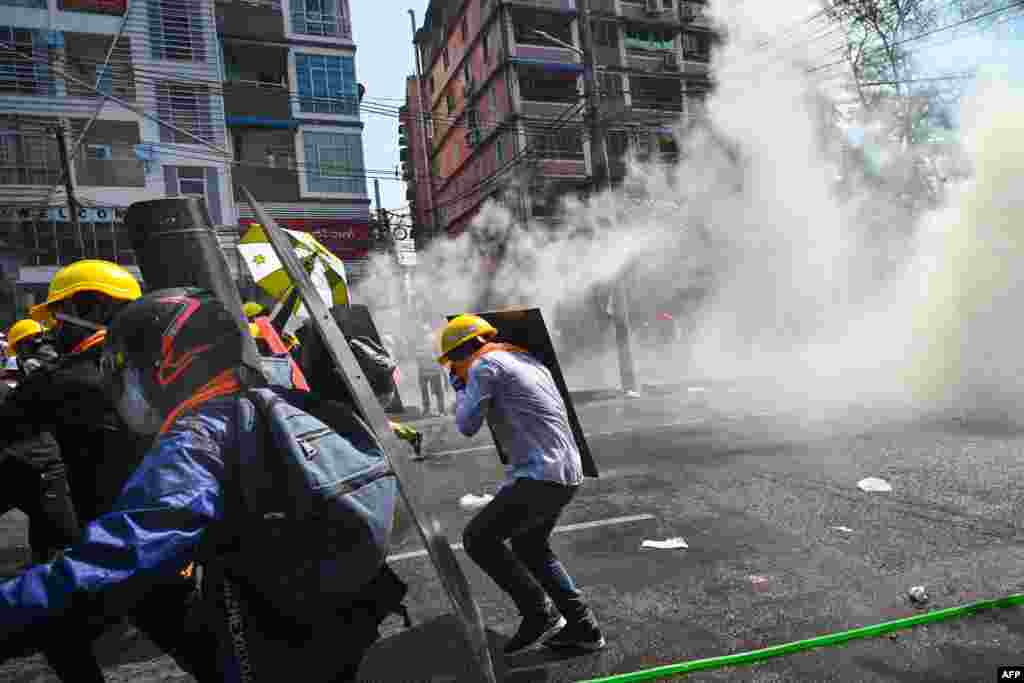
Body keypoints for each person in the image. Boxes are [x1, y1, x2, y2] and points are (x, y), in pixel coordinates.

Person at [0, 288, 402, 682]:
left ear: (168, 365)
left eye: (130, 370)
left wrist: (11, 608)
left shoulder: (200, 432)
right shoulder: (276, 390)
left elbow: (127, 550)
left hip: (274, 632)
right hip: (348, 613)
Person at [437, 314, 605, 655]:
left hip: (540, 474)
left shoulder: (485, 367)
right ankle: (583, 626)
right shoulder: (528, 359)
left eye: (454, 360)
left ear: (467, 349)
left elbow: (467, 424)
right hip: (566, 471)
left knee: (478, 539)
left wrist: (459, 386)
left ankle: (539, 613)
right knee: (530, 546)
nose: (454, 366)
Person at [414, 323, 446, 416]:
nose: (424, 334)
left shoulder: (432, 339)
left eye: (425, 332)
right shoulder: (418, 341)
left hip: (433, 368)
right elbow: (417, 356)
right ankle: (428, 409)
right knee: (425, 390)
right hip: (424, 369)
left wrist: (441, 367)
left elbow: (439, 353)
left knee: (437, 391)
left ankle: (440, 409)